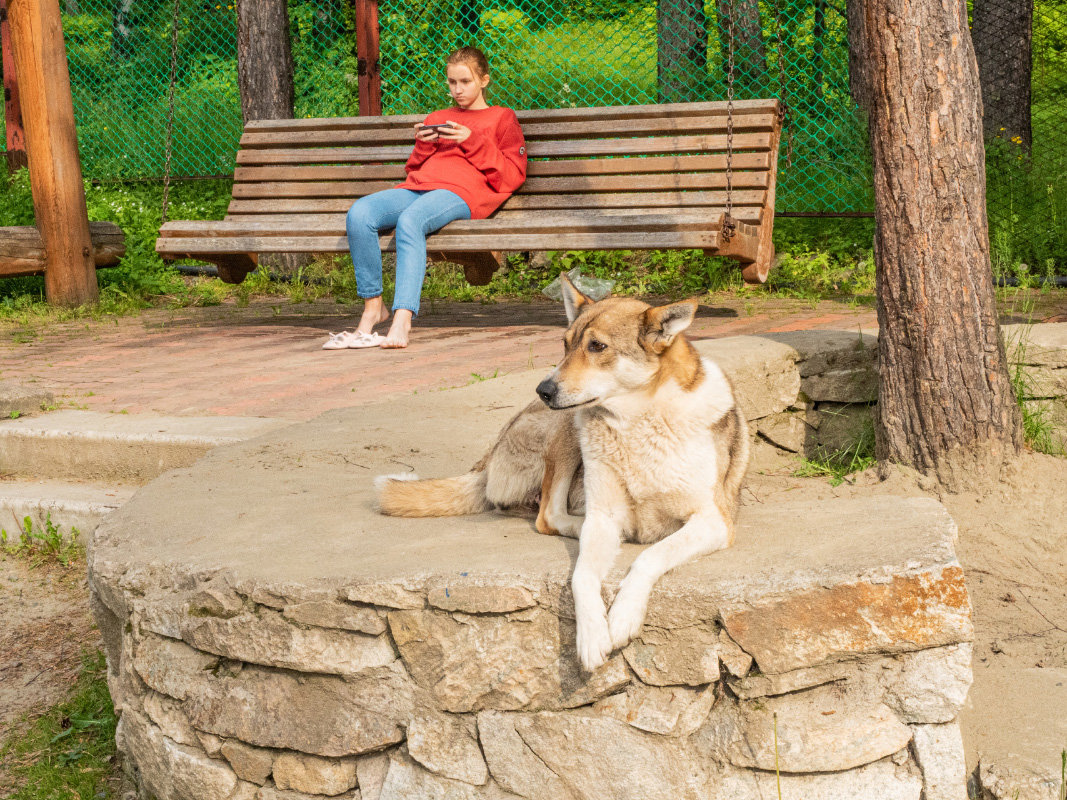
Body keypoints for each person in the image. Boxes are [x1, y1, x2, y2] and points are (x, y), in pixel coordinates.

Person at [324, 47, 527, 350]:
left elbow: (512, 176)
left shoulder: (502, 118)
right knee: (360, 214)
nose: (457, 90)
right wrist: (422, 143)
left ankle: (402, 317)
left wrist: (471, 140)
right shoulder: (439, 117)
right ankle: (373, 308)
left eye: (465, 82)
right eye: (451, 82)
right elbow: (415, 169)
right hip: (419, 186)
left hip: (460, 193)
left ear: (484, 80)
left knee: (411, 221)